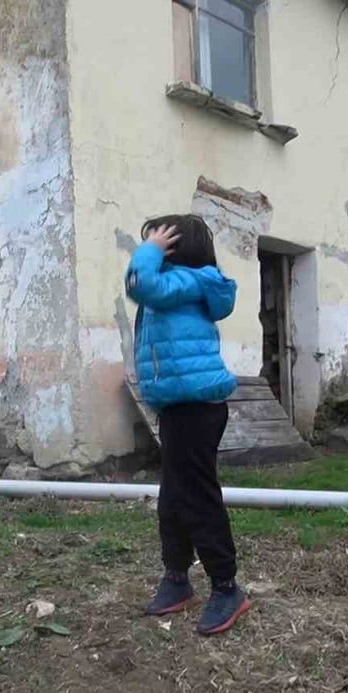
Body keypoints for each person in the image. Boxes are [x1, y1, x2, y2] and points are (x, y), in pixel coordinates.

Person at [125, 213, 251, 636]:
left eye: (160, 242)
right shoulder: (180, 286)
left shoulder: (186, 281)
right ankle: (177, 579)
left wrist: (149, 251)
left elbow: (139, 284)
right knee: (174, 498)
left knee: (196, 497)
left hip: (195, 407)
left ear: (175, 251)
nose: (152, 249)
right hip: (179, 406)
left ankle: (226, 586)